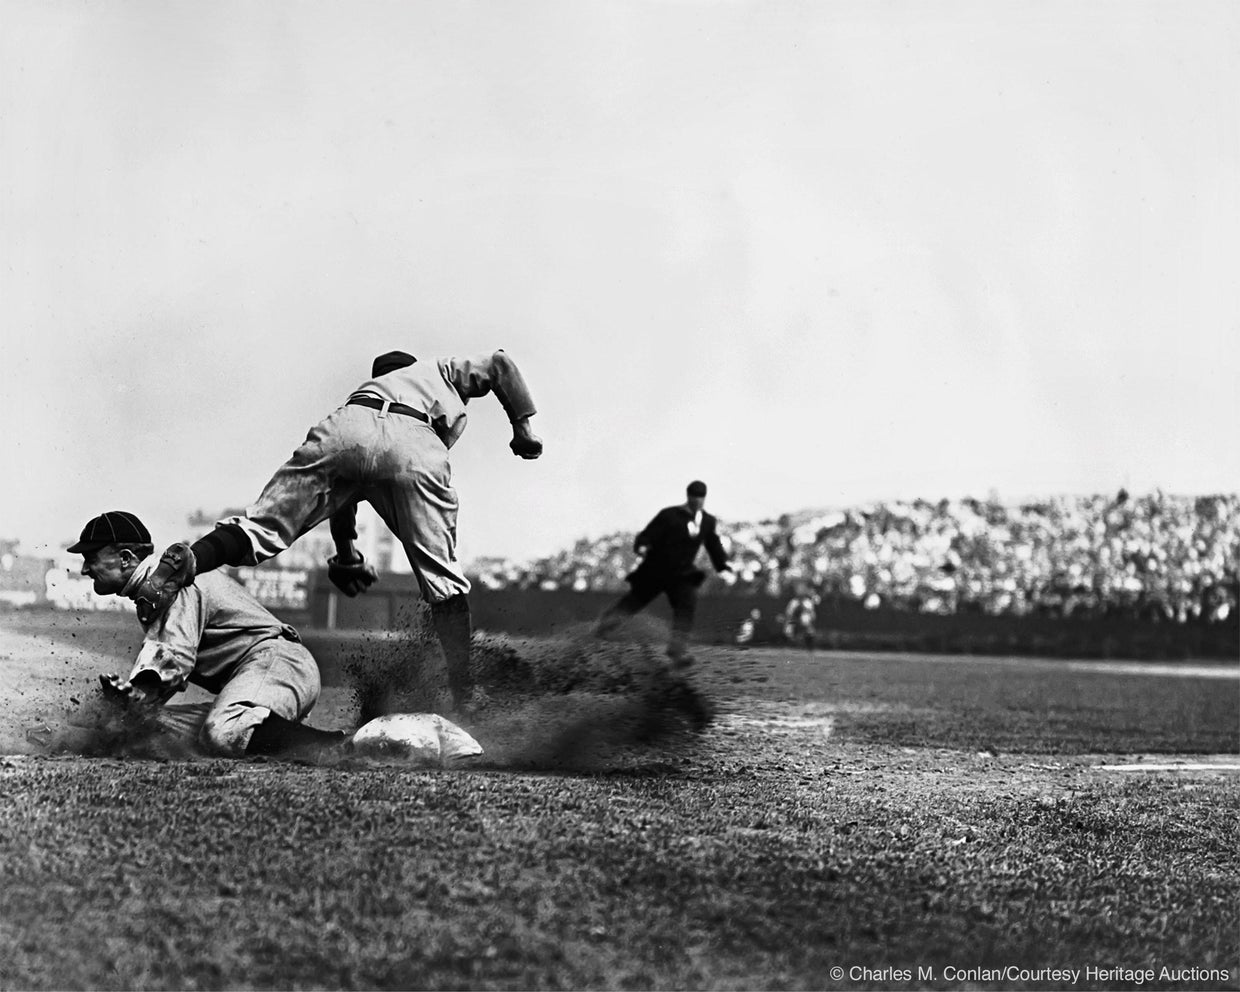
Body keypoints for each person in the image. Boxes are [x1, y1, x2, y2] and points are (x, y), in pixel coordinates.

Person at [131, 349, 543, 718]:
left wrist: (346, 556)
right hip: (415, 442)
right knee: (444, 582)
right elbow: (501, 363)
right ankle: (464, 695)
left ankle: (193, 558)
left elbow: (343, 495)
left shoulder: (362, 395)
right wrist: (522, 428)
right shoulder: (438, 370)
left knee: (261, 527)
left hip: (344, 432)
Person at [71, 510, 348, 757]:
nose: (85, 568)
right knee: (145, 728)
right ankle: (264, 726)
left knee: (224, 731)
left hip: (277, 663)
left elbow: (174, 657)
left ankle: (343, 747)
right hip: (256, 679)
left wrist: (137, 696)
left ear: (125, 558)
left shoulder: (171, 582)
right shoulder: (157, 587)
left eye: (91, 557)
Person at [596, 480, 732, 666]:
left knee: (687, 603)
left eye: (700, 497)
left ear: (704, 499)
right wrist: (643, 546)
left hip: (681, 574)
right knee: (635, 601)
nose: (697, 501)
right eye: (694, 497)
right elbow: (647, 534)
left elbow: (713, 544)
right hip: (657, 569)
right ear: (688, 496)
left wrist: (723, 565)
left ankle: (677, 649)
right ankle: (603, 627)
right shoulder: (670, 515)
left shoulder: (707, 521)